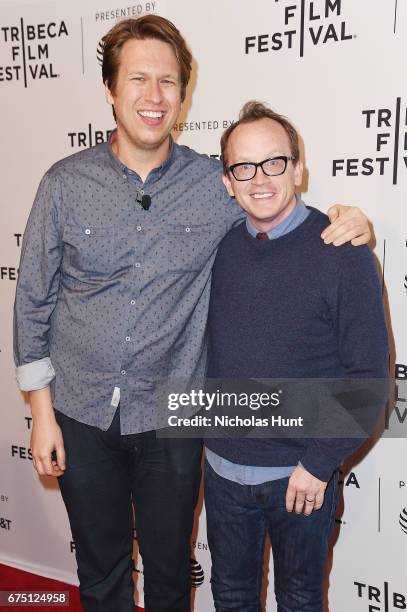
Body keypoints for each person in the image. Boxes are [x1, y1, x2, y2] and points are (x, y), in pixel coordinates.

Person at [13, 15, 371, 612]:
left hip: (173, 418)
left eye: (169, 82)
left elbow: (276, 205)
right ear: (110, 90)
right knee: (100, 573)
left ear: (184, 94)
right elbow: (33, 304)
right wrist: (40, 415)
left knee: (172, 573)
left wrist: (348, 218)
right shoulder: (63, 183)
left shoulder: (216, 183)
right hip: (77, 411)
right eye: (138, 79)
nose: (154, 97)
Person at [204, 101, 389, 612]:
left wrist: (318, 463)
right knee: (231, 597)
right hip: (222, 475)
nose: (259, 178)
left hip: (302, 478)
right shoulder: (219, 252)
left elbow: (368, 379)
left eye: (274, 162)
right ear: (228, 182)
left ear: (299, 169)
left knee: (301, 600)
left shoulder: (344, 254)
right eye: (244, 167)